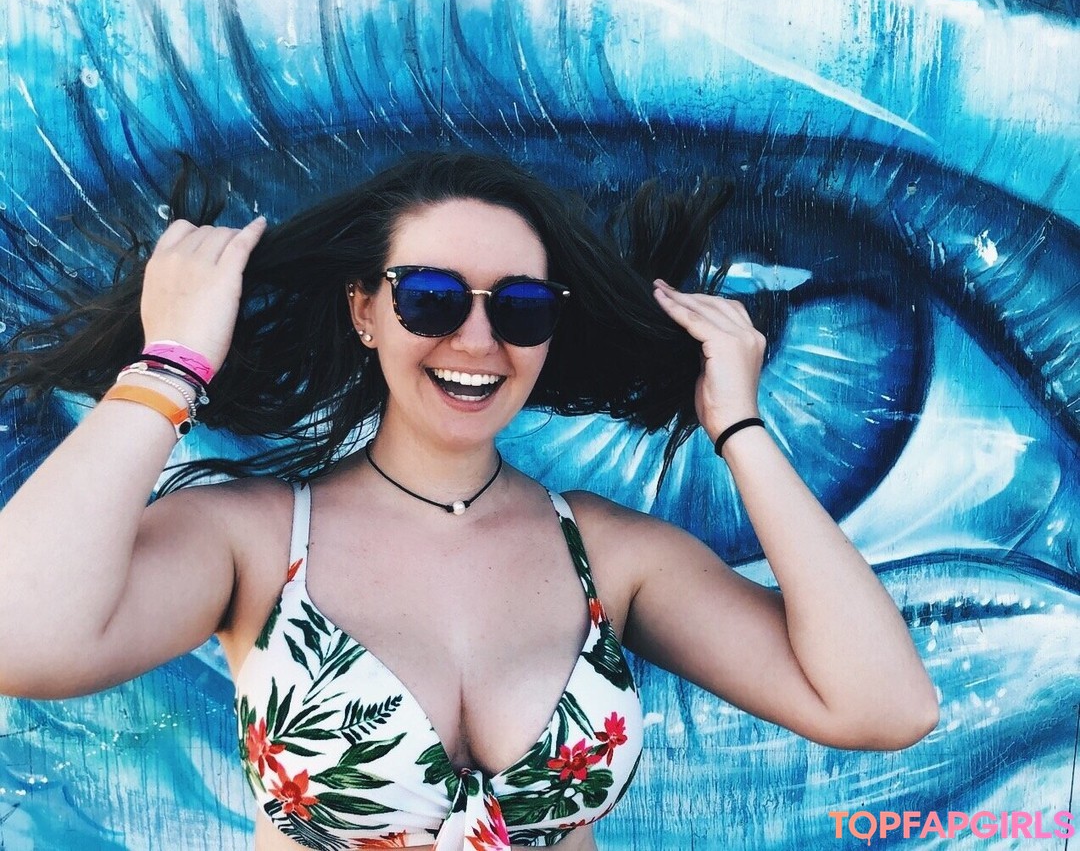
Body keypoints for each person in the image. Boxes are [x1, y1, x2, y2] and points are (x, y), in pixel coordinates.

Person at [0, 152, 937, 850]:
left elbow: (884, 705)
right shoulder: (255, 538)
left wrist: (740, 426)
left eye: (520, 306)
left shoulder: (608, 556)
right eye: (432, 297)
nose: (480, 340)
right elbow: (19, 636)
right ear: (365, 310)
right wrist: (170, 366)